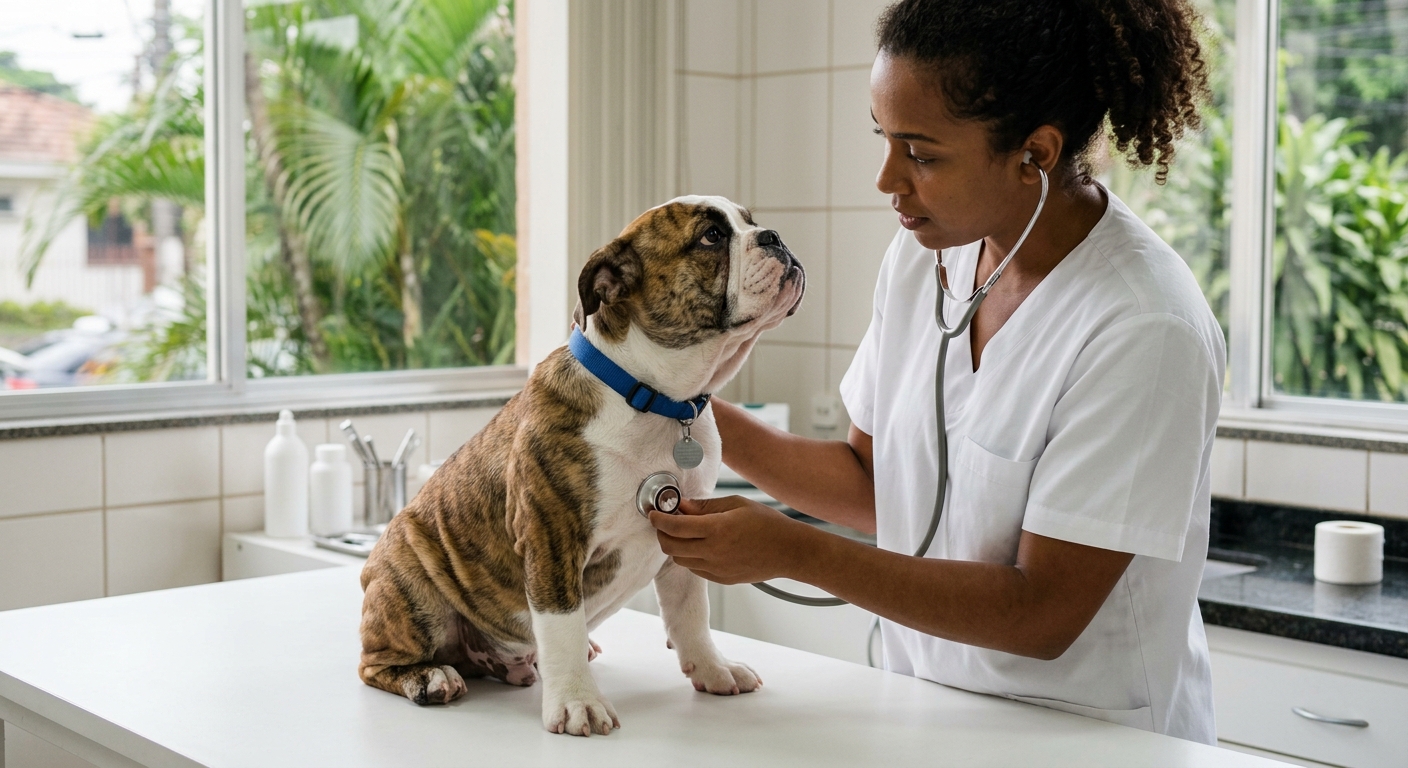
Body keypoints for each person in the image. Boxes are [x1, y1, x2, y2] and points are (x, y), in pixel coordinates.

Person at [649, 0, 1224, 744]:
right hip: (930, 715)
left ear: (1035, 154)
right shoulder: (930, 258)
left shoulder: (1144, 326)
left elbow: (1042, 613)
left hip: (1092, 741)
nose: (888, 178)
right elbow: (873, 482)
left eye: (921, 154)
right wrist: (674, 402)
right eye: (883, 138)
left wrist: (793, 548)